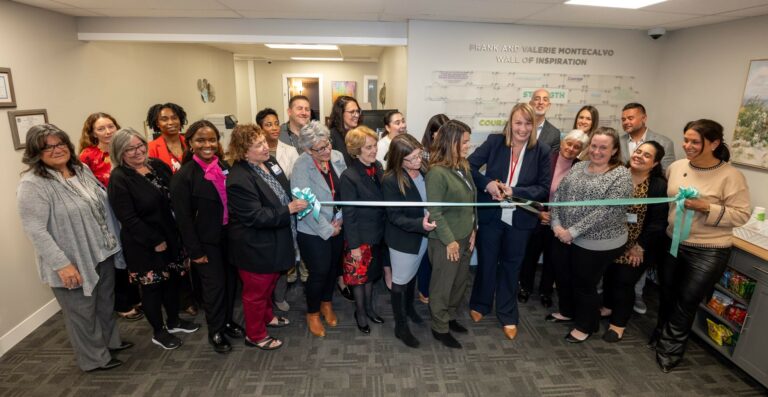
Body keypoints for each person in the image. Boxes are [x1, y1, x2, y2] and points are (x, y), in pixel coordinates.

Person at [17, 124, 130, 372]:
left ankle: (110, 342)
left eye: (60, 143)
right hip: (72, 260)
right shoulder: (33, 184)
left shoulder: (81, 169)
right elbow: (35, 229)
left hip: (102, 252)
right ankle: (94, 359)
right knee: (82, 312)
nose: (56, 150)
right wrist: (62, 265)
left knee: (105, 304)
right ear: (36, 153)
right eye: (47, 147)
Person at [653, 119, 750, 373]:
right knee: (667, 293)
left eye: (695, 142)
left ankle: (670, 350)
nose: (687, 146)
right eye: (686, 140)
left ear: (714, 144)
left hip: (708, 249)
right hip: (673, 241)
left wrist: (706, 207)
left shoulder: (731, 176)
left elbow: (741, 215)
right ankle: (660, 332)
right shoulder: (676, 167)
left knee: (687, 300)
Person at [108, 128, 200, 350]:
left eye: (140, 145)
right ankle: (159, 332)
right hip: (144, 244)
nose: (138, 151)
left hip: (171, 236)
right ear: (120, 152)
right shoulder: (119, 178)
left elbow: (176, 194)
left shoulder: (157, 166)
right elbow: (128, 218)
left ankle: (174, 321)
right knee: (152, 289)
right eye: (130, 149)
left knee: (172, 281)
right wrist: (154, 240)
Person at [467, 103, 552, 340]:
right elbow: (468, 166)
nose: (522, 129)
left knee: (511, 267)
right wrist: (487, 184)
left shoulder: (542, 150)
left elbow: (543, 188)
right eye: (518, 123)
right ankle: (481, 303)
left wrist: (515, 191)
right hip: (491, 215)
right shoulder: (495, 142)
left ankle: (507, 314)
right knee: (487, 262)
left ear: (533, 125)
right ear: (510, 123)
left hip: (521, 218)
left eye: (528, 123)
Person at [546, 127, 633, 343]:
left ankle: (586, 325)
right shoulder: (579, 166)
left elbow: (607, 211)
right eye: (594, 146)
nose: (596, 151)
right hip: (564, 234)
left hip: (598, 241)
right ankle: (567, 311)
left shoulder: (621, 175)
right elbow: (559, 195)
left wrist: (572, 232)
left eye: (603, 147)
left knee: (584, 283)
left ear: (614, 150)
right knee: (563, 276)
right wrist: (556, 224)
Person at [226, 124, 307, 350]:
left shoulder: (270, 162)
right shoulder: (239, 178)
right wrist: (288, 209)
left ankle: (268, 317)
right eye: (258, 145)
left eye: (263, 141)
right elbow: (255, 216)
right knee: (256, 293)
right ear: (243, 152)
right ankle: (255, 335)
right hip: (255, 245)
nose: (265, 147)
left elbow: (283, 190)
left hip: (276, 238)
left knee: (269, 285)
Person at [170, 120, 245, 354]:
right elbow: (183, 219)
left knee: (231, 283)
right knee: (215, 288)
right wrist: (195, 251)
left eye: (212, 140)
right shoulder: (184, 176)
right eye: (201, 140)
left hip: (228, 237)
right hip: (205, 243)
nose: (207, 145)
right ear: (190, 143)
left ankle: (228, 321)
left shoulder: (223, 165)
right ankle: (216, 330)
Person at [600, 141, 669, 342]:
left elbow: (658, 222)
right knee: (609, 275)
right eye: (638, 151)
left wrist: (640, 247)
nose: (639, 156)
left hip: (638, 245)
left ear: (655, 163)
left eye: (647, 155)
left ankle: (618, 324)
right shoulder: (617, 174)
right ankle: (608, 307)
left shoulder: (658, 186)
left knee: (624, 281)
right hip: (610, 239)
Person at [78, 112, 143, 322]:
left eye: (110, 126)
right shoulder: (87, 157)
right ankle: (122, 302)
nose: (107, 132)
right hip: (108, 214)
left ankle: (136, 296)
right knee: (117, 256)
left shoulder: (125, 149)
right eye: (101, 128)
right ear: (92, 133)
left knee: (132, 252)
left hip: (131, 208)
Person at [518, 129, 589, 308]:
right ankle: (525, 287)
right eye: (569, 144)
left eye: (576, 147)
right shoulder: (545, 159)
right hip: (537, 216)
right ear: (562, 142)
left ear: (581, 150)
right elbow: (530, 188)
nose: (571, 149)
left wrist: (558, 219)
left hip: (562, 223)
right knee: (530, 255)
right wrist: (538, 213)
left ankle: (546, 291)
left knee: (553, 259)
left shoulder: (581, 168)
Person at [290, 120, 347, 337]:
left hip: (337, 224)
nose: (326, 151)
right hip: (313, 230)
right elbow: (304, 204)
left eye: (327, 144)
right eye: (319, 149)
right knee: (319, 272)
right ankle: (312, 313)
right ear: (307, 150)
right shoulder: (301, 166)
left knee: (332, 269)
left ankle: (326, 303)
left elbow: (345, 191)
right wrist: (328, 229)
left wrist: (340, 220)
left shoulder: (337, 157)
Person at [619, 102, 677, 314]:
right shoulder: (619, 141)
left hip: (645, 216)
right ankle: (609, 300)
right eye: (623, 119)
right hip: (619, 221)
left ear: (644, 118)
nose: (626, 122)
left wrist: (640, 245)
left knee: (635, 264)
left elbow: (668, 175)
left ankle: (636, 295)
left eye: (630, 117)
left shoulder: (664, 142)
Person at [426, 120, 477, 349]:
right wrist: (450, 241)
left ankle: (450, 316)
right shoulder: (436, 173)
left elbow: (472, 201)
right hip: (445, 241)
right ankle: (439, 327)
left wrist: (474, 229)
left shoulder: (463, 165)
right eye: (464, 142)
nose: (468, 145)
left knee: (459, 284)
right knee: (442, 286)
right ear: (451, 142)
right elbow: (435, 212)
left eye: (468, 141)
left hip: (466, 236)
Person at [382, 134, 436, 347]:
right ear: (399, 159)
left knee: (412, 275)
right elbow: (394, 216)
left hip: (423, 236)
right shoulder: (391, 180)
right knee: (400, 282)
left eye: (419, 155)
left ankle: (410, 308)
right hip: (404, 240)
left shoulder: (423, 169)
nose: (418, 160)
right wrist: (420, 224)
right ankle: (400, 325)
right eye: (412, 158)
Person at [340, 126, 387, 333]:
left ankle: (369, 309)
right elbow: (349, 214)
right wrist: (354, 246)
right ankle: (360, 313)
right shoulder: (349, 176)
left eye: (375, 145)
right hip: (360, 237)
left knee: (371, 276)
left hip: (378, 234)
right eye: (368, 147)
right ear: (356, 150)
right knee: (359, 279)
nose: (374, 150)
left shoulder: (378, 167)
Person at [256, 107, 303, 310]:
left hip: (288, 208)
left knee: (287, 251)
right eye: (268, 124)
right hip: (267, 214)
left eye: (276, 123)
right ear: (260, 129)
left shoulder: (288, 151)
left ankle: (279, 296)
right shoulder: (256, 157)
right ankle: (269, 297)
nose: (274, 127)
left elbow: (294, 180)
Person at [416, 113, 450, 304]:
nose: (444, 136)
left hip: (446, 210)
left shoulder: (451, 153)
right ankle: (423, 289)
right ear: (432, 133)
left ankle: (436, 289)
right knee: (426, 254)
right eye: (440, 132)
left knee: (440, 255)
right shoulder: (422, 154)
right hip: (428, 209)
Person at [147, 102, 188, 173]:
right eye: (164, 119)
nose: (171, 122)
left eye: (174, 118)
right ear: (157, 124)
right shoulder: (151, 148)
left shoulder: (190, 142)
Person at [328, 95, 362, 165]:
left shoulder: (360, 133)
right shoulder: (331, 136)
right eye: (352, 112)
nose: (356, 115)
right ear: (340, 113)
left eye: (357, 111)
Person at [529, 88, 561, 153]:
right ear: (530, 104)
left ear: (548, 105)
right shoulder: (516, 126)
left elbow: (552, 158)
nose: (541, 102)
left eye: (545, 100)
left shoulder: (554, 134)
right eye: (537, 99)